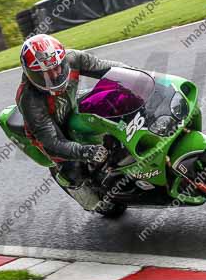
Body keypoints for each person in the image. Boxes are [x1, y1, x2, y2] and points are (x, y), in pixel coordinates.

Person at [16, 34, 127, 190]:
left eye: (56, 67)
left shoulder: (72, 58)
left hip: (71, 106)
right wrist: (85, 152)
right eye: (45, 73)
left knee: (116, 101)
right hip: (52, 131)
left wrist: (140, 75)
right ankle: (88, 193)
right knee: (74, 172)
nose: (54, 75)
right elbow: (52, 142)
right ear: (30, 73)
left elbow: (109, 68)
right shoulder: (29, 98)